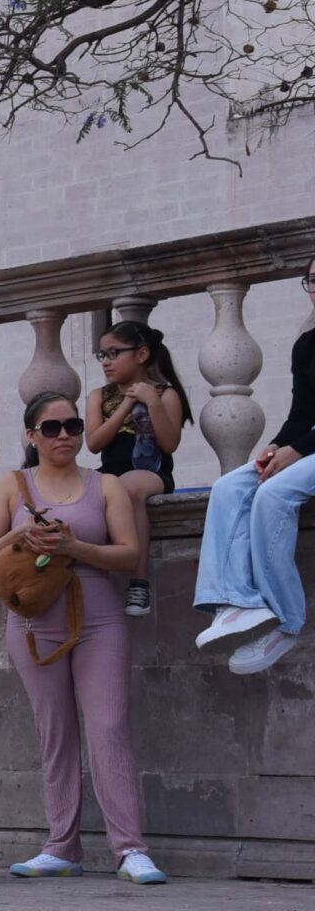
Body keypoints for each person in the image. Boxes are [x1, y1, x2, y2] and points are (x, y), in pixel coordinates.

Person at [0, 391, 164, 884]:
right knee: (54, 734)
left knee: (109, 729)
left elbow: (128, 554)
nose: (65, 436)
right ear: (31, 435)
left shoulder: (105, 485)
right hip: (34, 622)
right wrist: (22, 538)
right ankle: (62, 846)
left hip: (99, 617)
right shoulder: (12, 486)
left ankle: (130, 850)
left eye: (74, 426)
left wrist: (76, 546)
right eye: (53, 427)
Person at [195, 260, 315, 675]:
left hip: (311, 450)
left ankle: (287, 621)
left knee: (275, 493)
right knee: (231, 486)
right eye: (312, 280)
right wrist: (278, 446)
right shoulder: (308, 345)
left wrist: (296, 450)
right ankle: (236, 602)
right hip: (310, 447)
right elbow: (303, 414)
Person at [85, 320, 189, 616]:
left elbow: (169, 444)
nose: (106, 362)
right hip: (111, 472)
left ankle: (139, 582)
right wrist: (125, 407)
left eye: (114, 353)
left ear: (141, 354)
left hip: (151, 473)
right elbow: (94, 443)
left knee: (129, 488)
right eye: (102, 355)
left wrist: (151, 402)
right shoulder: (99, 396)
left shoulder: (166, 394)